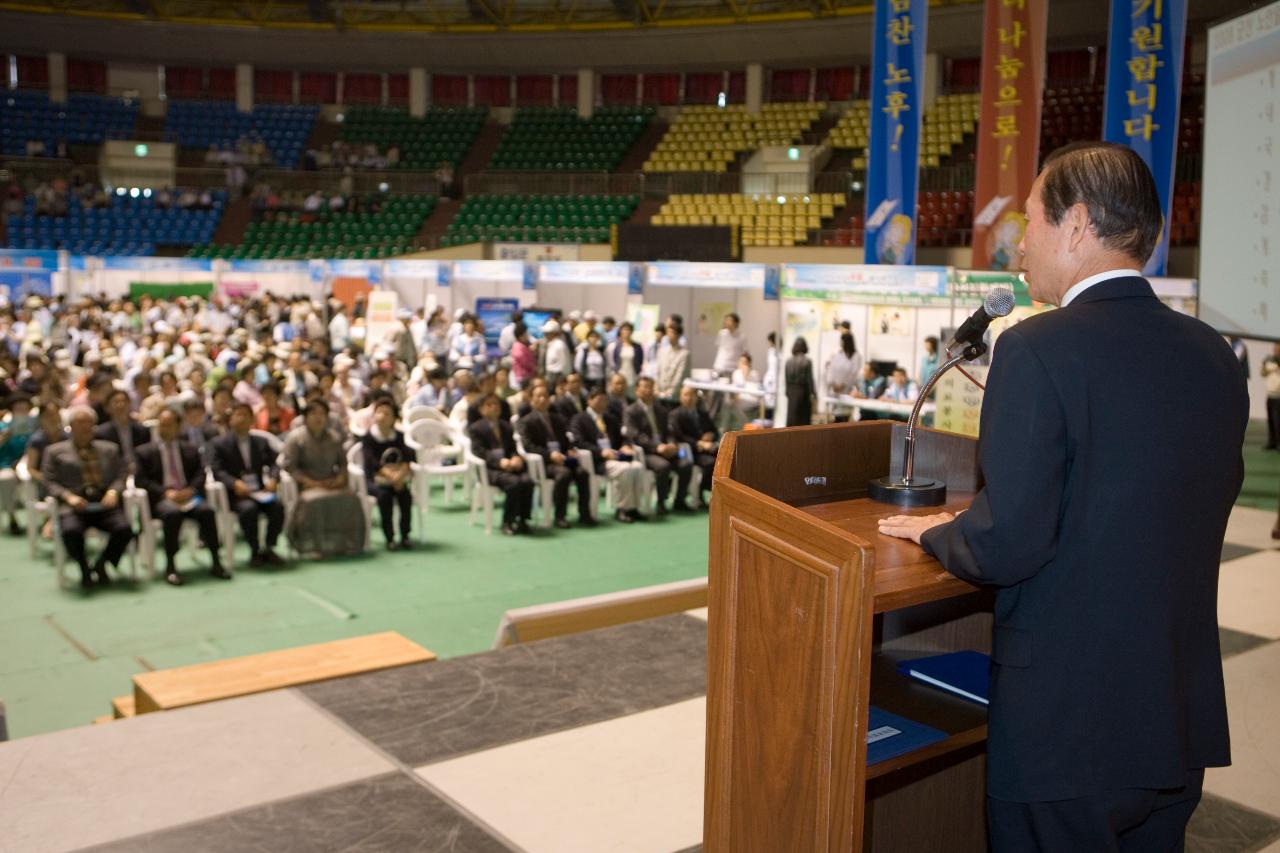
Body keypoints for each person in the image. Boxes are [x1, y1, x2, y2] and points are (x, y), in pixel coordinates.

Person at [878, 141, 1249, 851]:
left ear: (1076, 226)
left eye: (1031, 222)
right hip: (1174, 711)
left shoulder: (1038, 348)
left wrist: (934, 530)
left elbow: (1006, 540)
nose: (1020, 246)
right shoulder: (1213, 355)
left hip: (1066, 728)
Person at [41, 406, 133, 589]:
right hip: (74, 504)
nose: (84, 427)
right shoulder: (54, 451)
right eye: (79, 423)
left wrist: (114, 491)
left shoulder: (110, 449)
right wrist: (67, 496)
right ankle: (84, 568)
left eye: (88, 423)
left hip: (104, 502)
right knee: (71, 531)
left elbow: (122, 474)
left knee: (125, 529)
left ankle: (102, 563)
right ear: (70, 426)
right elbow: (49, 481)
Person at [134, 409, 227, 586]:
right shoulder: (144, 452)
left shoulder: (190, 449)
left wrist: (191, 490)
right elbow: (141, 480)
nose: (164, 429)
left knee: (207, 511)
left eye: (169, 425)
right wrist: (164, 492)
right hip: (163, 499)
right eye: (162, 425)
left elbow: (201, 473)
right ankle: (171, 566)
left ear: (178, 427)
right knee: (171, 515)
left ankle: (216, 561)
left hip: (189, 496)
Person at [282, 400, 365, 556]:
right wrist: (311, 482)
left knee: (352, 498)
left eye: (322, 414)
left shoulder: (334, 437)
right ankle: (313, 546)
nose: (318, 417)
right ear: (305, 417)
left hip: (330, 483)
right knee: (313, 501)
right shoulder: (295, 438)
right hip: (306, 485)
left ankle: (347, 544)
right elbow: (291, 467)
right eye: (313, 414)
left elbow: (342, 463)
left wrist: (340, 478)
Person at [209, 402, 286, 568]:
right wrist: (234, 482)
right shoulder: (219, 444)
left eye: (246, 415)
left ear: (252, 419)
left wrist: (273, 479)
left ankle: (269, 547)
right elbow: (217, 470)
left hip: (259, 491)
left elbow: (275, 464)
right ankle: (254, 549)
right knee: (248, 509)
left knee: (277, 506)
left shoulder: (260, 441)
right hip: (236, 494)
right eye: (238, 414)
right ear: (231, 420)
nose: (242, 418)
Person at [517, 383, 593, 529]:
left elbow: (566, 440)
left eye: (545, 396)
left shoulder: (557, 419)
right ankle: (560, 516)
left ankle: (584, 513)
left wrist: (571, 450)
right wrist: (550, 455)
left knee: (583, 473)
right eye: (538, 396)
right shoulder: (526, 421)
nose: (542, 399)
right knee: (563, 475)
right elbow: (528, 446)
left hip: (563, 459)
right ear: (532, 400)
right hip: (545, 463)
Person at [570, 388, 647, 523]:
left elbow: (622, 437)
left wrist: (625, 446)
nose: (602, 404)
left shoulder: (610, 418)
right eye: (599, 400)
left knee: (637, 467)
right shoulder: (579, 419)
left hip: (616, 456)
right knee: (626, 470)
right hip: (597, 460)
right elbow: (579, 442)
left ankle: (633, 507)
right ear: (589, 400)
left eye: (605, 401)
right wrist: (600, 452)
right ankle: (622, 508)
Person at [468, 393, 534, 535]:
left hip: (509, 465)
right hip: (489, 469)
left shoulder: (506, 426)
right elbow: (480, 452)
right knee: (514, 483)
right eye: (489, 405)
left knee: (527, 480)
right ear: (481, 409)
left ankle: (523, 519)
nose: (494, 407)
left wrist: (516, 457)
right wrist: (499, 462)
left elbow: (512, 449)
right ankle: (507, 522)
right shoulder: (476, 428)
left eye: (496, 404)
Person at [625, 376, 692, 515]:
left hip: (666, 448)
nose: (648, 390)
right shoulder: (631, 411)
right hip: (647, 452)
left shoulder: (661, 409)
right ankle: (661, 502)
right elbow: (636, 436)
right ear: (637, 390)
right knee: (663, 466)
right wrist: (657, 447)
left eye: (651, 387)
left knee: (686, 462)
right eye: (645, 387)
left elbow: (669, 431)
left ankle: (679, 500)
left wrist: (671, 443)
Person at [361, 398, 415, 551]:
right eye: (379, 412)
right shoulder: (368, 438)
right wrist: (391, 477)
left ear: (393, 418)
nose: (382, 416)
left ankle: (405, 536)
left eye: (387, 413)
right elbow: (372, 463)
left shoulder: (398, 436)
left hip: (396, 479)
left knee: (405, 497)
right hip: (375, 481)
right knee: (385, 498)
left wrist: (399, 477)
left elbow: (408, 458)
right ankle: (389, 538)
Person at [668, 384, 717, 508]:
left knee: (724, 459)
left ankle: (710, 491)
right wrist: (698, 443)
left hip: (706, 448)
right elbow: (678, 436)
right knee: (711, 462)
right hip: (688, 451)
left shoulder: (702, 413)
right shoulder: (675, 414)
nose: (689, 398)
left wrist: (710, 435)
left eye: (692, 395)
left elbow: (714, 431)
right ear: (680, 397)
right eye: (686, 395)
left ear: (696, 397)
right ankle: (701, 492)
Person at [0, 394, 37, 534]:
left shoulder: (37, 426)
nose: (21, 410)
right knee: (5, 478)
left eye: (24, 407)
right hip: (6, 465)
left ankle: (45, 516)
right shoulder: (3, 426)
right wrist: (4, 438)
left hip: (31, 466)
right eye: (18, 408)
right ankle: (11, 516)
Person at [94, 389, 151, 469]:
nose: (121, 405)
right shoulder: (101, 433)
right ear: (107, 408)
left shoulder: (142, 430)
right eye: (116, 402)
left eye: (124, 401)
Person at [824, 332, 862, 423]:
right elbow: (832, 369)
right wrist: (832, 383)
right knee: (835, 416)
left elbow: (854, 373)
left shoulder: (856, 356)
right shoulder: (838, 354)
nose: (841, 343)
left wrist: (843, 384)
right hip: (835, 389)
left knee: (844, 416)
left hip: (847, 389)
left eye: (842, 341)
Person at [655, 322, 690, 403]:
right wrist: (656, 388)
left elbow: (680, 376)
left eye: (672, 333)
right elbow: (658, 372)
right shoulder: (662, 351)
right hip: (659, 394)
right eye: (668, 333)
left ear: (678, 335)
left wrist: (670, 392)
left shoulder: (684, 354)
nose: (669, 336)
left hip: (674, 397)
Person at [784, 337, 815, 426]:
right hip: (803, 392)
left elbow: (786, 379)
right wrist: (813, 394)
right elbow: (810, 379)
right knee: (803, 420)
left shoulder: (788, 361)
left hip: (791, 391)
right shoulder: (807, 361)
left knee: (791, 417)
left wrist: (787, 392)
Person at [605, 321, 643, 392]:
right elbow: (610, 363)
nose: (627, 332)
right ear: (620, 331)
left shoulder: (637, 347)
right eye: (625, 329)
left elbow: (640, 361)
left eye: (629, 330)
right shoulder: (614, 346)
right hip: (618, 378)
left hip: (632, 377)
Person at [712, 312, 747, 377]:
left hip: (733, 368)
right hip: (720, 365)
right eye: (726, 320)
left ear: (736, 323)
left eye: (729, 320)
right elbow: (719, 346)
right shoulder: (722, 333)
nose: (726, 322)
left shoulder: (742, 336)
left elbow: (744, 352)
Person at [1263, 342, 1280, 451]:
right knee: (1270, 420)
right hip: (1270, 394)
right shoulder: (1269, 359)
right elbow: (1263, 372)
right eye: (1275, 346)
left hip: (1279, 396)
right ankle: (1272, 442)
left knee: (1278, 420)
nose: (1276, 349)